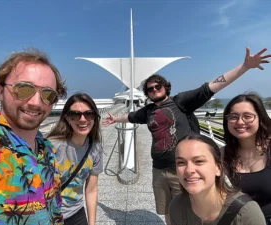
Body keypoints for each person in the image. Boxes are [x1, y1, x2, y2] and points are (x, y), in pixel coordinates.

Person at [102, 47, 271, 224]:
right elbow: (130, 116)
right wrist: (115, 119)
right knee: (169, 208)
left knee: (193, 207)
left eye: (157, 86)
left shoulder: (181, 101)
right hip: (158, 169)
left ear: (165, 87)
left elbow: (211, 87)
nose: (154, 90)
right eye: (150, 89)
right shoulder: (148, 111)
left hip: (182, 169)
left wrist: (244, 67)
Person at [0, 49, 67, 224]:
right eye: (23, 89)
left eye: (48, 94)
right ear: (1, 90)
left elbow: (55, 213)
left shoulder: (47, 148)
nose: (36, 102)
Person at [169, 134, 265, 225]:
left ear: (218, 168)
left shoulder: (246, 213)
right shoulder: (177, 206)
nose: (189, 170)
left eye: (199, 161)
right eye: (181, 163)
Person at [47, 93, 103, 225]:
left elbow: (91, 190)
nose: (83, 119)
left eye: (89, 114)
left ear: (95, 117)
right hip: (49, 215)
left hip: (76, 213)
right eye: (75, 115)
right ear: (67, 118)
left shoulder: (95, 148)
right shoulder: (52, 146)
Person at [222, 93, 271, 224]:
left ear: (260, 118)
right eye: (233, 117)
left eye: (247, 116)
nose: (240, 122)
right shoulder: (220, 155)